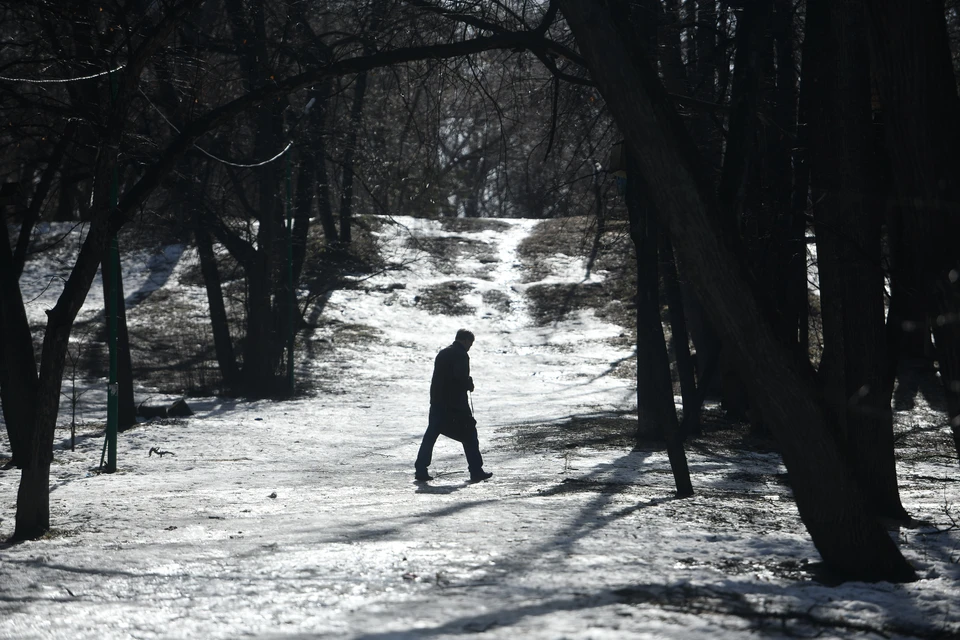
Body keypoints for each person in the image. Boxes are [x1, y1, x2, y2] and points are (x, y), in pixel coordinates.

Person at [415, 329, 493, 482]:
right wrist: (469, 384)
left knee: (431, 435)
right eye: (470, 343)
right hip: (455, 406)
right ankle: (476, 470)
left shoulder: (442, 353)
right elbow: (459, 379)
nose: (470, 346)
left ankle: (420, 469)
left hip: (437, 402)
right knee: (470, 435)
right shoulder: (461, 355)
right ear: (464, 341)